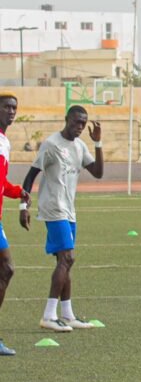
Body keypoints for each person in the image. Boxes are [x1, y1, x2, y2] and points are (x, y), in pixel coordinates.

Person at [20, 105, 104, 332]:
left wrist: (98, 143)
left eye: (83, 123)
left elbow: (98, 172)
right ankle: (49, 315)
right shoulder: (51, 144)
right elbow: (31, 175)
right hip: (53, 207)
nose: (80, 126)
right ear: (66, 119)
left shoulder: (80, 146)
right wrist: (23, 206)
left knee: (64, 262)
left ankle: (67, 315)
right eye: (76, 121)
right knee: (67, 258)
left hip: (69, 210)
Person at [0, 92, 31, 356]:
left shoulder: (4, 141)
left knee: (6, 269)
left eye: (14, 107)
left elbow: (1, 183)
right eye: (6, 107)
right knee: (6, 268)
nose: (11, 111)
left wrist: (18, 191)